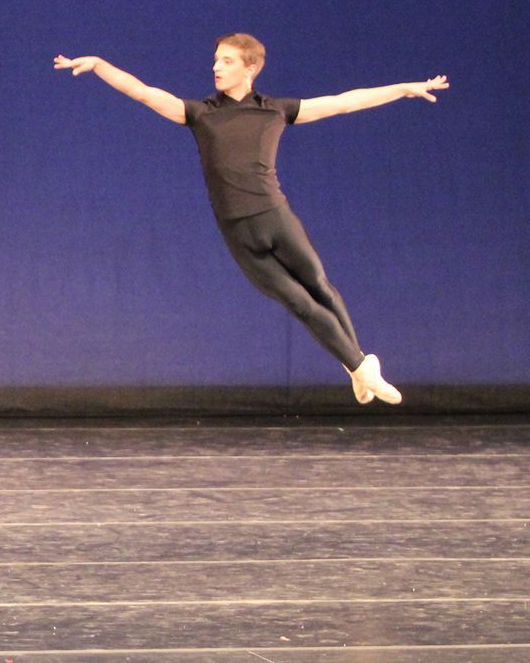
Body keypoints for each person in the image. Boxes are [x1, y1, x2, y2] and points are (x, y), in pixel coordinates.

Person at [52, 34, 448, 404]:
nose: (216, 67)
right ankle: (362, 369)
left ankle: (358, 367)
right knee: (299, 303)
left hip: (276, 218)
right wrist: (100, 64)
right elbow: (144, 93)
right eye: (215, 61)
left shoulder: (275, 110)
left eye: (226, 61)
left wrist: (404, 89)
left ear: (250, 69)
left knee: (321, 288)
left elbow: (345, 101)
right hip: (238, 232)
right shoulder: (201, 114)